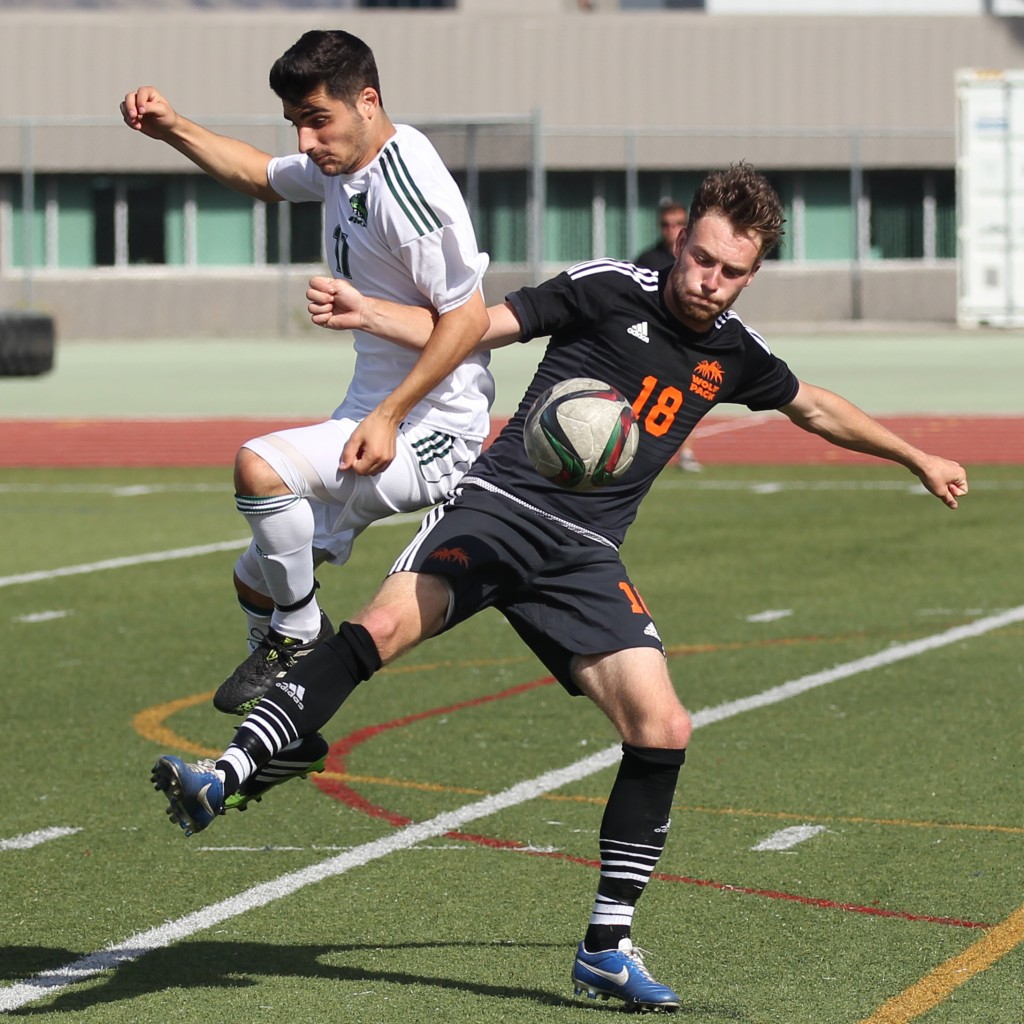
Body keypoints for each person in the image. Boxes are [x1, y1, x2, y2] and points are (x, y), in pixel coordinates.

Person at [150, 162, 968, 1012]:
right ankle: (228, 770)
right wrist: (389, 406)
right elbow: (475, 326)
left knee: (663, 727)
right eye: (704, 259)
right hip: (499, 508)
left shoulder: (733, 353)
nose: (710, 282)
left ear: (751, 274)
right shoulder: (606, 288)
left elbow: (815, 407)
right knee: (378, 630)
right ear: (683, 235)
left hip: (584, 557)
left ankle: (606, 949)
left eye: (733, 273)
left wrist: (915, 455)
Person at [120, 30, 492, 730]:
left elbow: (468, 323)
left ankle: (297, 636)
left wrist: (389, 411)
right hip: (373, 412)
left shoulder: (406, 186)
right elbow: (259, 176)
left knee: (259, 470)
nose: (307, 137)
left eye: (317, 118)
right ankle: (287, 706)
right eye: (296, 122)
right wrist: (172, 128)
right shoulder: (339, 161)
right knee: (255, 578)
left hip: (436, 427)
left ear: (368, 102)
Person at [634, 198, 702, 472]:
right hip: (650, 340)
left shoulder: (696, 258)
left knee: (683, 398)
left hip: (683, 343)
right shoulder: (648, 260)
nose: (671, 229)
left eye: (677, 224)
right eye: (666, 225)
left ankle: (686, 454)